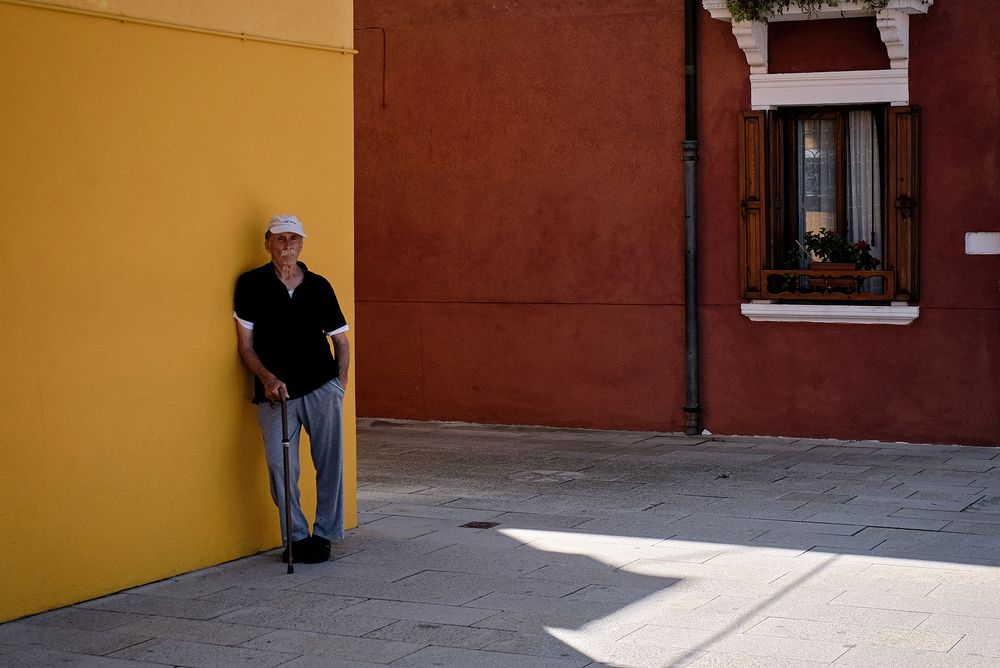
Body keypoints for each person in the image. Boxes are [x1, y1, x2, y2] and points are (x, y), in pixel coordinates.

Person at [233, 214, 350, 564]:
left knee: (329, 463)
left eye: (294, 239)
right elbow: (245, 347)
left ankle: (325, 534)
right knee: (280, 467)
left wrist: (338, 387)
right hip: (275, 393)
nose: (288, 245)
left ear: (302, 245)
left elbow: (341, 341)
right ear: (267, 243)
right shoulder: (250, 284)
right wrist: (268, 378)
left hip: (320, 387)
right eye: (280, 238)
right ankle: (296, 538)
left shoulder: (319, 286)